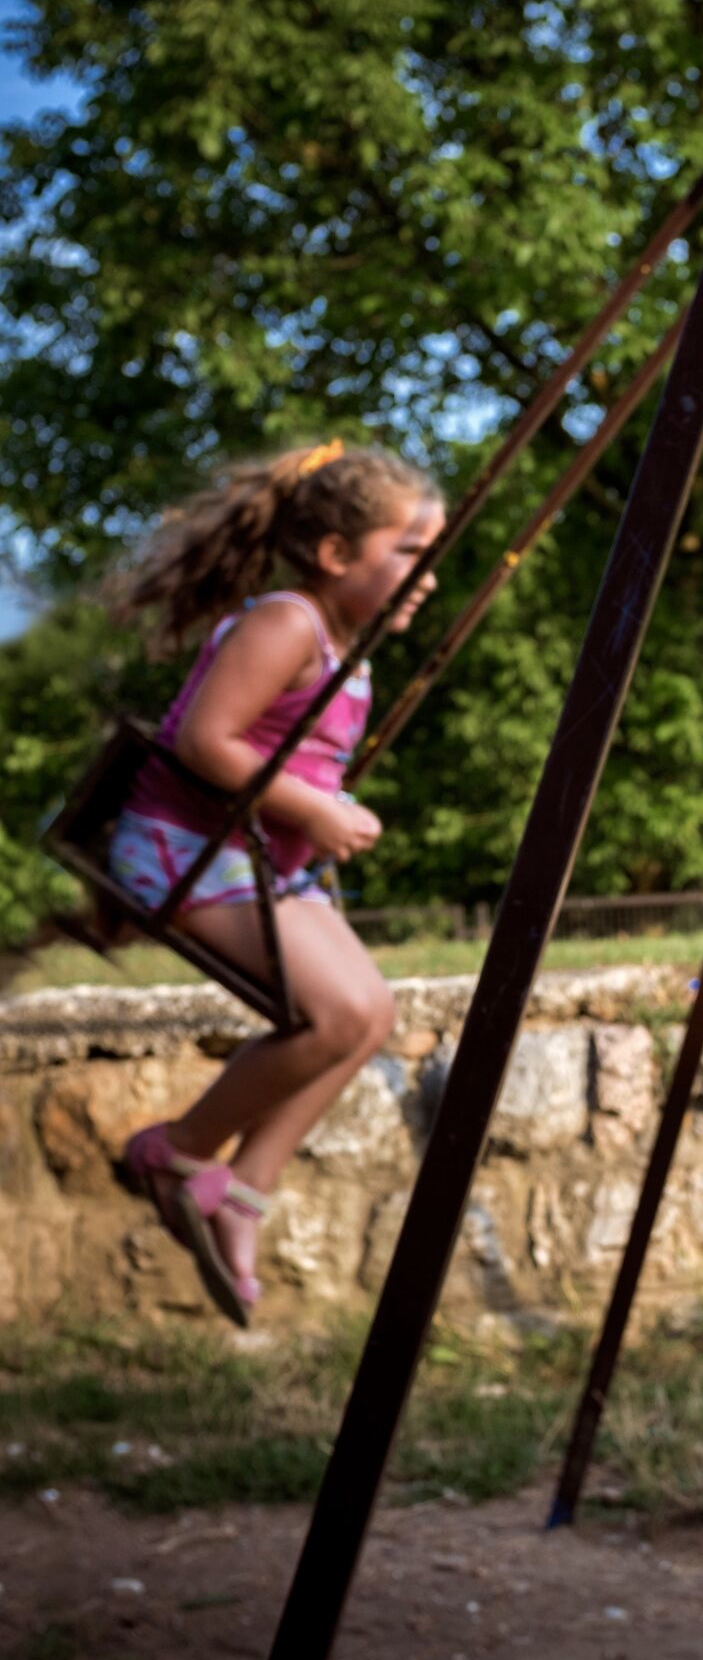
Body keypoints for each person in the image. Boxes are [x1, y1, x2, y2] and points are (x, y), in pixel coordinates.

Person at [104, 441, 443, 1327]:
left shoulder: (349, 647)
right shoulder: (287, 621)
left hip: (262, 859)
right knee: (331, 1015)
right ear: (335, 554)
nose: (431, 574)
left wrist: (323, 806)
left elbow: (287, 753)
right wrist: (318, 811)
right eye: (411, 552)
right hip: (186, 849)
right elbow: (206, 741)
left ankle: (238, 1192)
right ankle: (172, 1150)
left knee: (369, 1016)